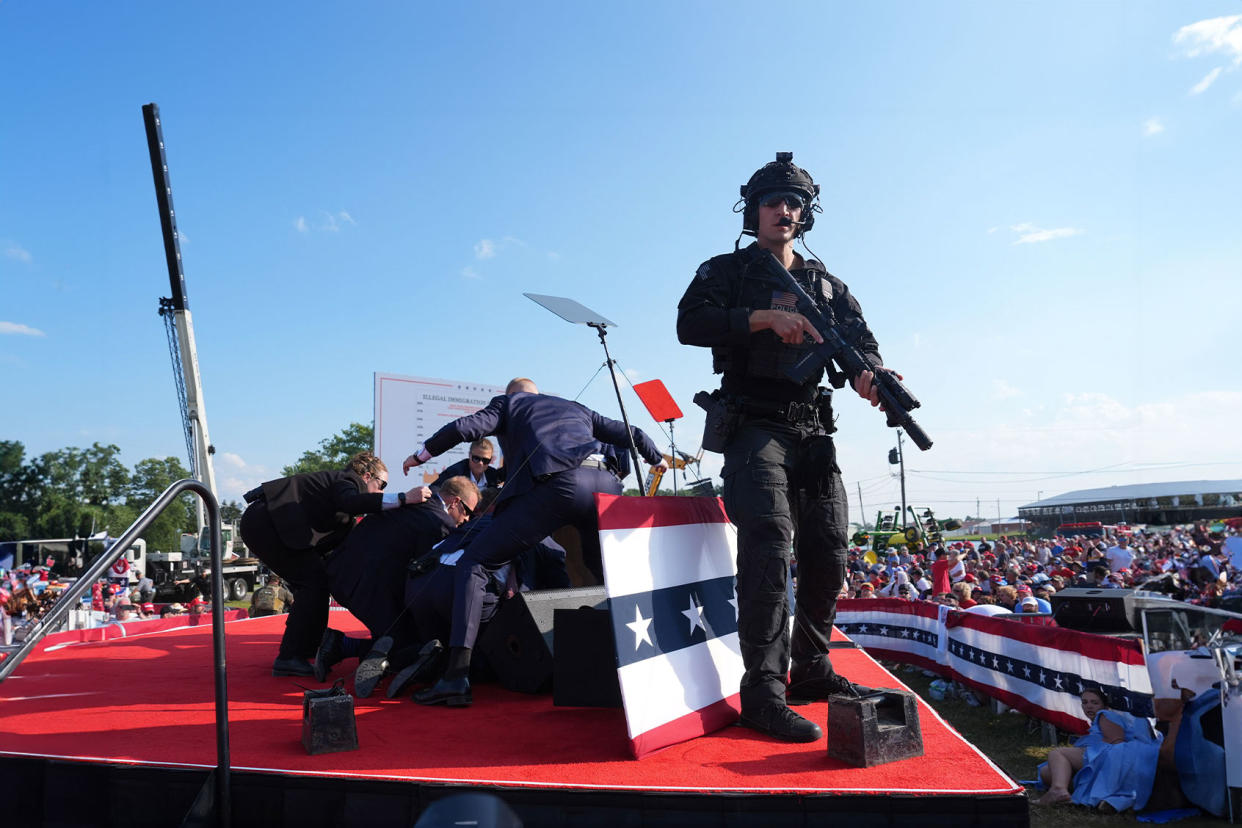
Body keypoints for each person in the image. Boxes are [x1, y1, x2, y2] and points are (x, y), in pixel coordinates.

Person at [676, 152, 900, 743]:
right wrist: (760, 320)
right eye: (774, 201)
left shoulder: (827, 284)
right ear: (753, 211)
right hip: (754, 425)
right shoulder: (725, 270)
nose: (785, 210)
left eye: (795, 202)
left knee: (829, 546)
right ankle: (763, 692)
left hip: (812, 430)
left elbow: (861, 343)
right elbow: (690, 325)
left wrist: (872, 376)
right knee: (770, 548)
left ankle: (813, 668)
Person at [402, 377, 665, 707]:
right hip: (604, 484)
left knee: (476, 562)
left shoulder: (510, 404)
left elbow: (464, 427)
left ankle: (456, 677)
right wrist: (656, 458)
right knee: (605, 571)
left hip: (560, 486)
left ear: (512, 395)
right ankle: (640, 661)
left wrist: (421, 454)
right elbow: (633, 433)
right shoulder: (575, 406)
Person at [239, 451, 431, 677]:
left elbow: (347, 549)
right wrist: (402, 498)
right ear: (367, 476)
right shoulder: (348, 480)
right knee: (314, 583)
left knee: (315, 582)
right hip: (265, 522)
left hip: (270, 525)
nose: (382, 491)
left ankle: (301, 650)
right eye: (382, 484)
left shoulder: (343, 512)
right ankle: (292, 655)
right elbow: (351, 502)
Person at [1036, 686, 1161, 812]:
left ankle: (1058, 790)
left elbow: (1117, 743)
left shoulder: (1105, 715)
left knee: (1057, 753)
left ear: (1105, 706)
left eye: (1094, 702)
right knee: (1046, 772)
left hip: (1104, 757)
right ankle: (1076, 789)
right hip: (1099, 755)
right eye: (1085, 702)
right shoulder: (1098, 719)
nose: (1089, 706)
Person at [432, 438, 503, 491]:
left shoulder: (493, 475)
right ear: (469, 455)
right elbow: (434, 490)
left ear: (491, 459)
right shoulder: (454, 473)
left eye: (486, 460)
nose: (480, 463)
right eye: (476, 458)